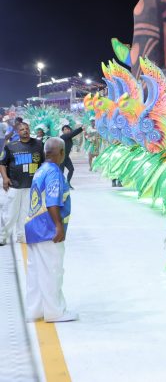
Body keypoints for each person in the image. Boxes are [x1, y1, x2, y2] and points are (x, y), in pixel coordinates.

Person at [24, 137, 75, 323]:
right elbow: (53, 201)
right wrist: (58, 226)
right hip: (48, 229)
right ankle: (55, 311)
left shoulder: (41, 170)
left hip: (33, 227)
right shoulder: (54, 172)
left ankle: (35, 310)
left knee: (36, 272)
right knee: (53, 270)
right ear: (61, 153)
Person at [0, 123, 44, 245]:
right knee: (11, 213)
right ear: (18, 132)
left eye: (27, 129)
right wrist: (5, 178)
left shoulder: (39, 144)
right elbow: (2, 163)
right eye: (22, 129)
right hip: (14, 185)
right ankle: (2, 236)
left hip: (31, 185)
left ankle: (22, 235)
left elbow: (44, 163)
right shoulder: (11, 146)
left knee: (26, 212)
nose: (25, 131)